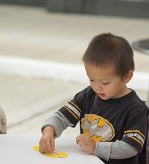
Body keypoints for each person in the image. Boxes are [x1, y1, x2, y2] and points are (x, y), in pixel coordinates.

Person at [39, 33, 148, 164]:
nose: (97, 87)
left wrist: (96, 148)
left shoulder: (135, 109)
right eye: (91, 79)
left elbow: (130, 147)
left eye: (105, 82)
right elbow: (63, 116)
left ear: (126, 77)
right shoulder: (88, 95)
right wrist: (49, 130)